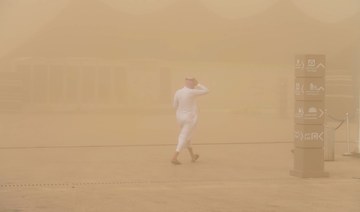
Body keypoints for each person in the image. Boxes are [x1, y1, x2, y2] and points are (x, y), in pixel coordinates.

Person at [171, 77, 209, 165]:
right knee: (183, 136)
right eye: (194, 83)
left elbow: (174, 106)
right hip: (189, 118)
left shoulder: (178, 92)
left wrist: (181, 111)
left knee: (188, 137)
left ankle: (192, 156)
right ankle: (175, 157)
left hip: (180, 118)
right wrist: (198, 84)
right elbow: (207, 90)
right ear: (192, 84)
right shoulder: (192, 92)